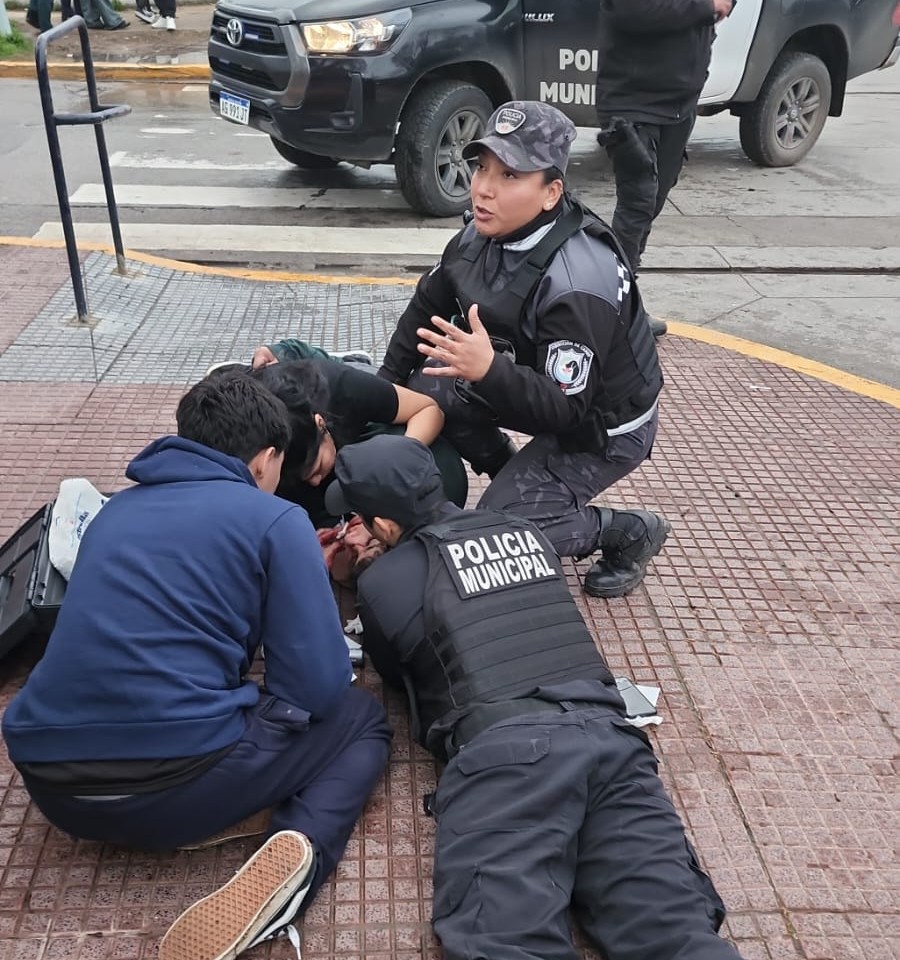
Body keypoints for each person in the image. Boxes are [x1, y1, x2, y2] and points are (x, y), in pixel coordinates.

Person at [1, 374, 392, 957]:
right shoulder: (275, 520)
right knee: (363, 719)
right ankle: (295, 858)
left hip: (53, 789)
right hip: (169, 784)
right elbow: (314, 687)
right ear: (265, 460)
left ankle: (221, 808)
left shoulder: (113, 513)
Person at [324, 435, 745, 960]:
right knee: (675, 931)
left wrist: (363, 570)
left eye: (361, 519)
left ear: (384, 526)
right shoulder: (524, 529)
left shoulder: (386, 576)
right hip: (613, 741)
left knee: (505, 942)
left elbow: (396, 671)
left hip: (510, 757)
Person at [378, 100, 669, 598]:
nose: (485, 187)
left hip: (602, 427)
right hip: (527, 384)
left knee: (498, 535)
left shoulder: (579, 280)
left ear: (551, 192)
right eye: (482, 167)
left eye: (510, 174)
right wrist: (382, 392)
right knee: (428, 385)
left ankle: (626, 530)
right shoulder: (479, 231)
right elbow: (426, 306)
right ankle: (512, 473)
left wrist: (487, 370)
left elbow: (566, 409)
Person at [595, 0, 735, 337]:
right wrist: (706, 7)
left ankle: (620, 299)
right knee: (637, 203)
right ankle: (616, 311)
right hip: (632, 100)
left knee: (654, 200)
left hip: (681, 102)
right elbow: (632, 11)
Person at [249, 356, 468, 527]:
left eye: (316, 468)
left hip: (362, 452)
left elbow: (428, 409)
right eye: (303, 478)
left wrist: (393, 463)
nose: (315, 480)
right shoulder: (250, 450)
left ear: (321, 424)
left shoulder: (339, 387)